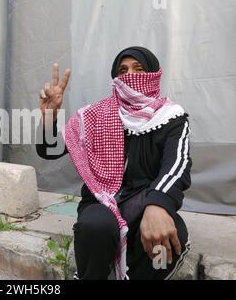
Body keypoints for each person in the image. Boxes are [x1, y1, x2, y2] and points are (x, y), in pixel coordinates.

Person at [37, 46, 191, 280]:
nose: (130, 75)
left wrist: (158, 205)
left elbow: (177, 165)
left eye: (138, 69)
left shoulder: (171, 117)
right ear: (115, 78)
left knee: (168, 238)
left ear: (153, 74)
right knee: (95, 225)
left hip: (145, 201)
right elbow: (50, 149)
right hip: (101, 202)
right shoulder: (96, 115)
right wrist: (49, 116)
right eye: (123, 70)